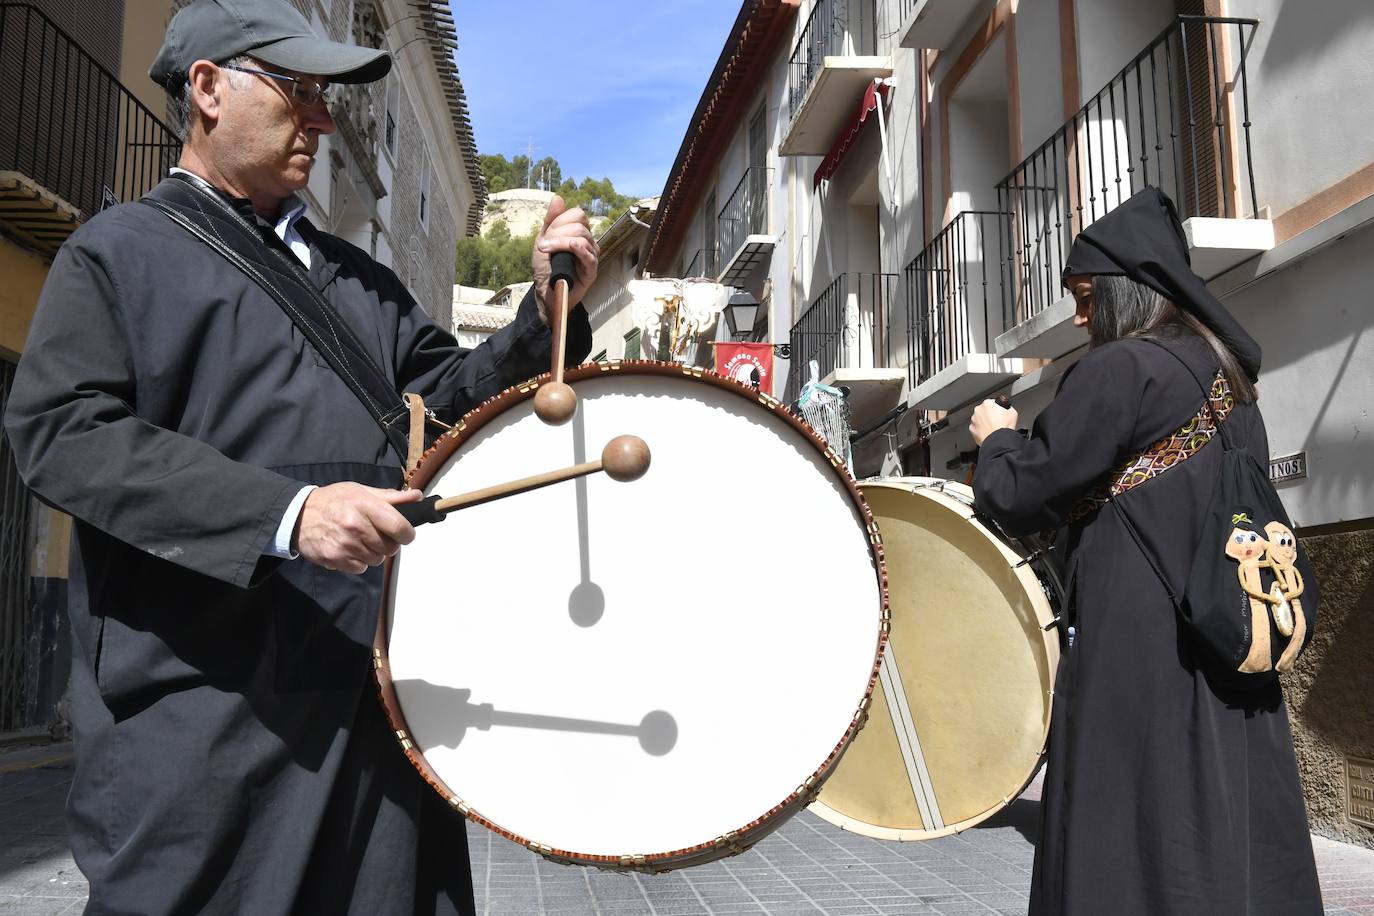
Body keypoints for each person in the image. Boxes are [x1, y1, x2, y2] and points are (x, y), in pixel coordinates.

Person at [2, 1, 597, 912]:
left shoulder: (360, 281)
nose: (320, 120)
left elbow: (447, 408)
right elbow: (62, 434)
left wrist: (542, 319)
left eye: (324, 97)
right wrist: (287, 517)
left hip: (376, 715)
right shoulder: (114, 255)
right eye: (297, 91)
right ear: (207, 88)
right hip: (210, 731)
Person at [968, 187, 1322, 916]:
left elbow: (1022, 494)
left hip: (1141, 643)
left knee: (1128, 818)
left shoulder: (1120, 371)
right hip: (1227, 632)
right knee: (1222, 809)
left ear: (1127, 292)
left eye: (1088, 298)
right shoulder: (1231, 381)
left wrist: (997, 438)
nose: (1079, 317)